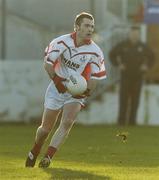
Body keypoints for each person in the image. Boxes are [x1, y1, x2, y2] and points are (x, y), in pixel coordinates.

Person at [25, 12, 107, 168]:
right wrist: (57, 81)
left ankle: (48, 157)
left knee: (67, 122)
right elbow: (48, 63)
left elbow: (96, 77)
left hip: (76, 91)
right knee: (45, 129)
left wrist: (86, 91)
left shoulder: (95, 51)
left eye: (92, 26)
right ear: (76, 27)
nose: (90, 29)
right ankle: (35, 150)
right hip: (57, 88)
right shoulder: (61, 42)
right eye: (86, 25)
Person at [109, 26, 154, 126]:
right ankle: (121, 122)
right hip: (125, 76)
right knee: (123, 100)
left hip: (138, 77)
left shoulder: (143, 46)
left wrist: (146, 66)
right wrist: (118, 64)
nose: (135, 36)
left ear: (139, 35)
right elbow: (112, 54)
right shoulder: (123, 45)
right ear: (130, 34)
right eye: (133, 34)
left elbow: (152, 57)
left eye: (137, 34)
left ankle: (132, 122)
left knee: (135, 101)